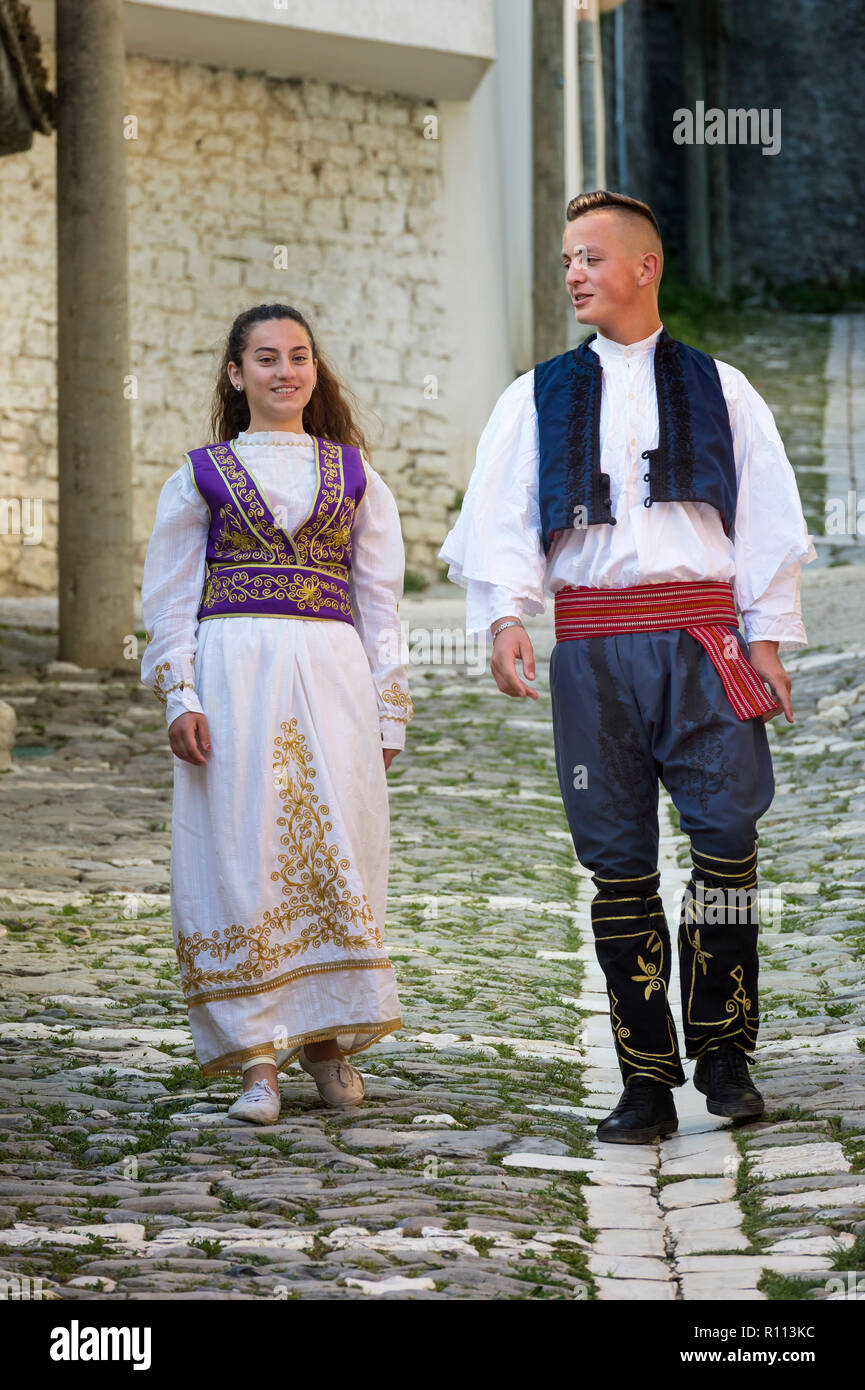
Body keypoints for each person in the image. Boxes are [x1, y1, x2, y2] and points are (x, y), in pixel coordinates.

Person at [439, 190, 816, 1143]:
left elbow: (765, 522)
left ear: (644, 268)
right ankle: (644, 1079)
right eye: (566, 259)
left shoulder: (723, 387)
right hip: (596, 653)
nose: (573, 273)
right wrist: (504, 620)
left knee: (727, 841)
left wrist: (764, 636)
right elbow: (504, 520)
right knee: (617, 865)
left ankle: (726, 1057)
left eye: (590, 257)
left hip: (702, 644)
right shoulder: (534, 395)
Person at [140, 303, 413, 1124]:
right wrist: (179, 694)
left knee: (337, 844)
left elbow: (380, 604)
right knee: (240, 846)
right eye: (265, 358)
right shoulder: (199, 475)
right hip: (234, 674)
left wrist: (388, 708)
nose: (284, 371)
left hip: (332, 678)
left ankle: (328, 1039)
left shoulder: (355, 475)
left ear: (314, 370)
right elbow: (169, 598)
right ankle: (258, 1059)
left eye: (298, 356)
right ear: (236, 374)